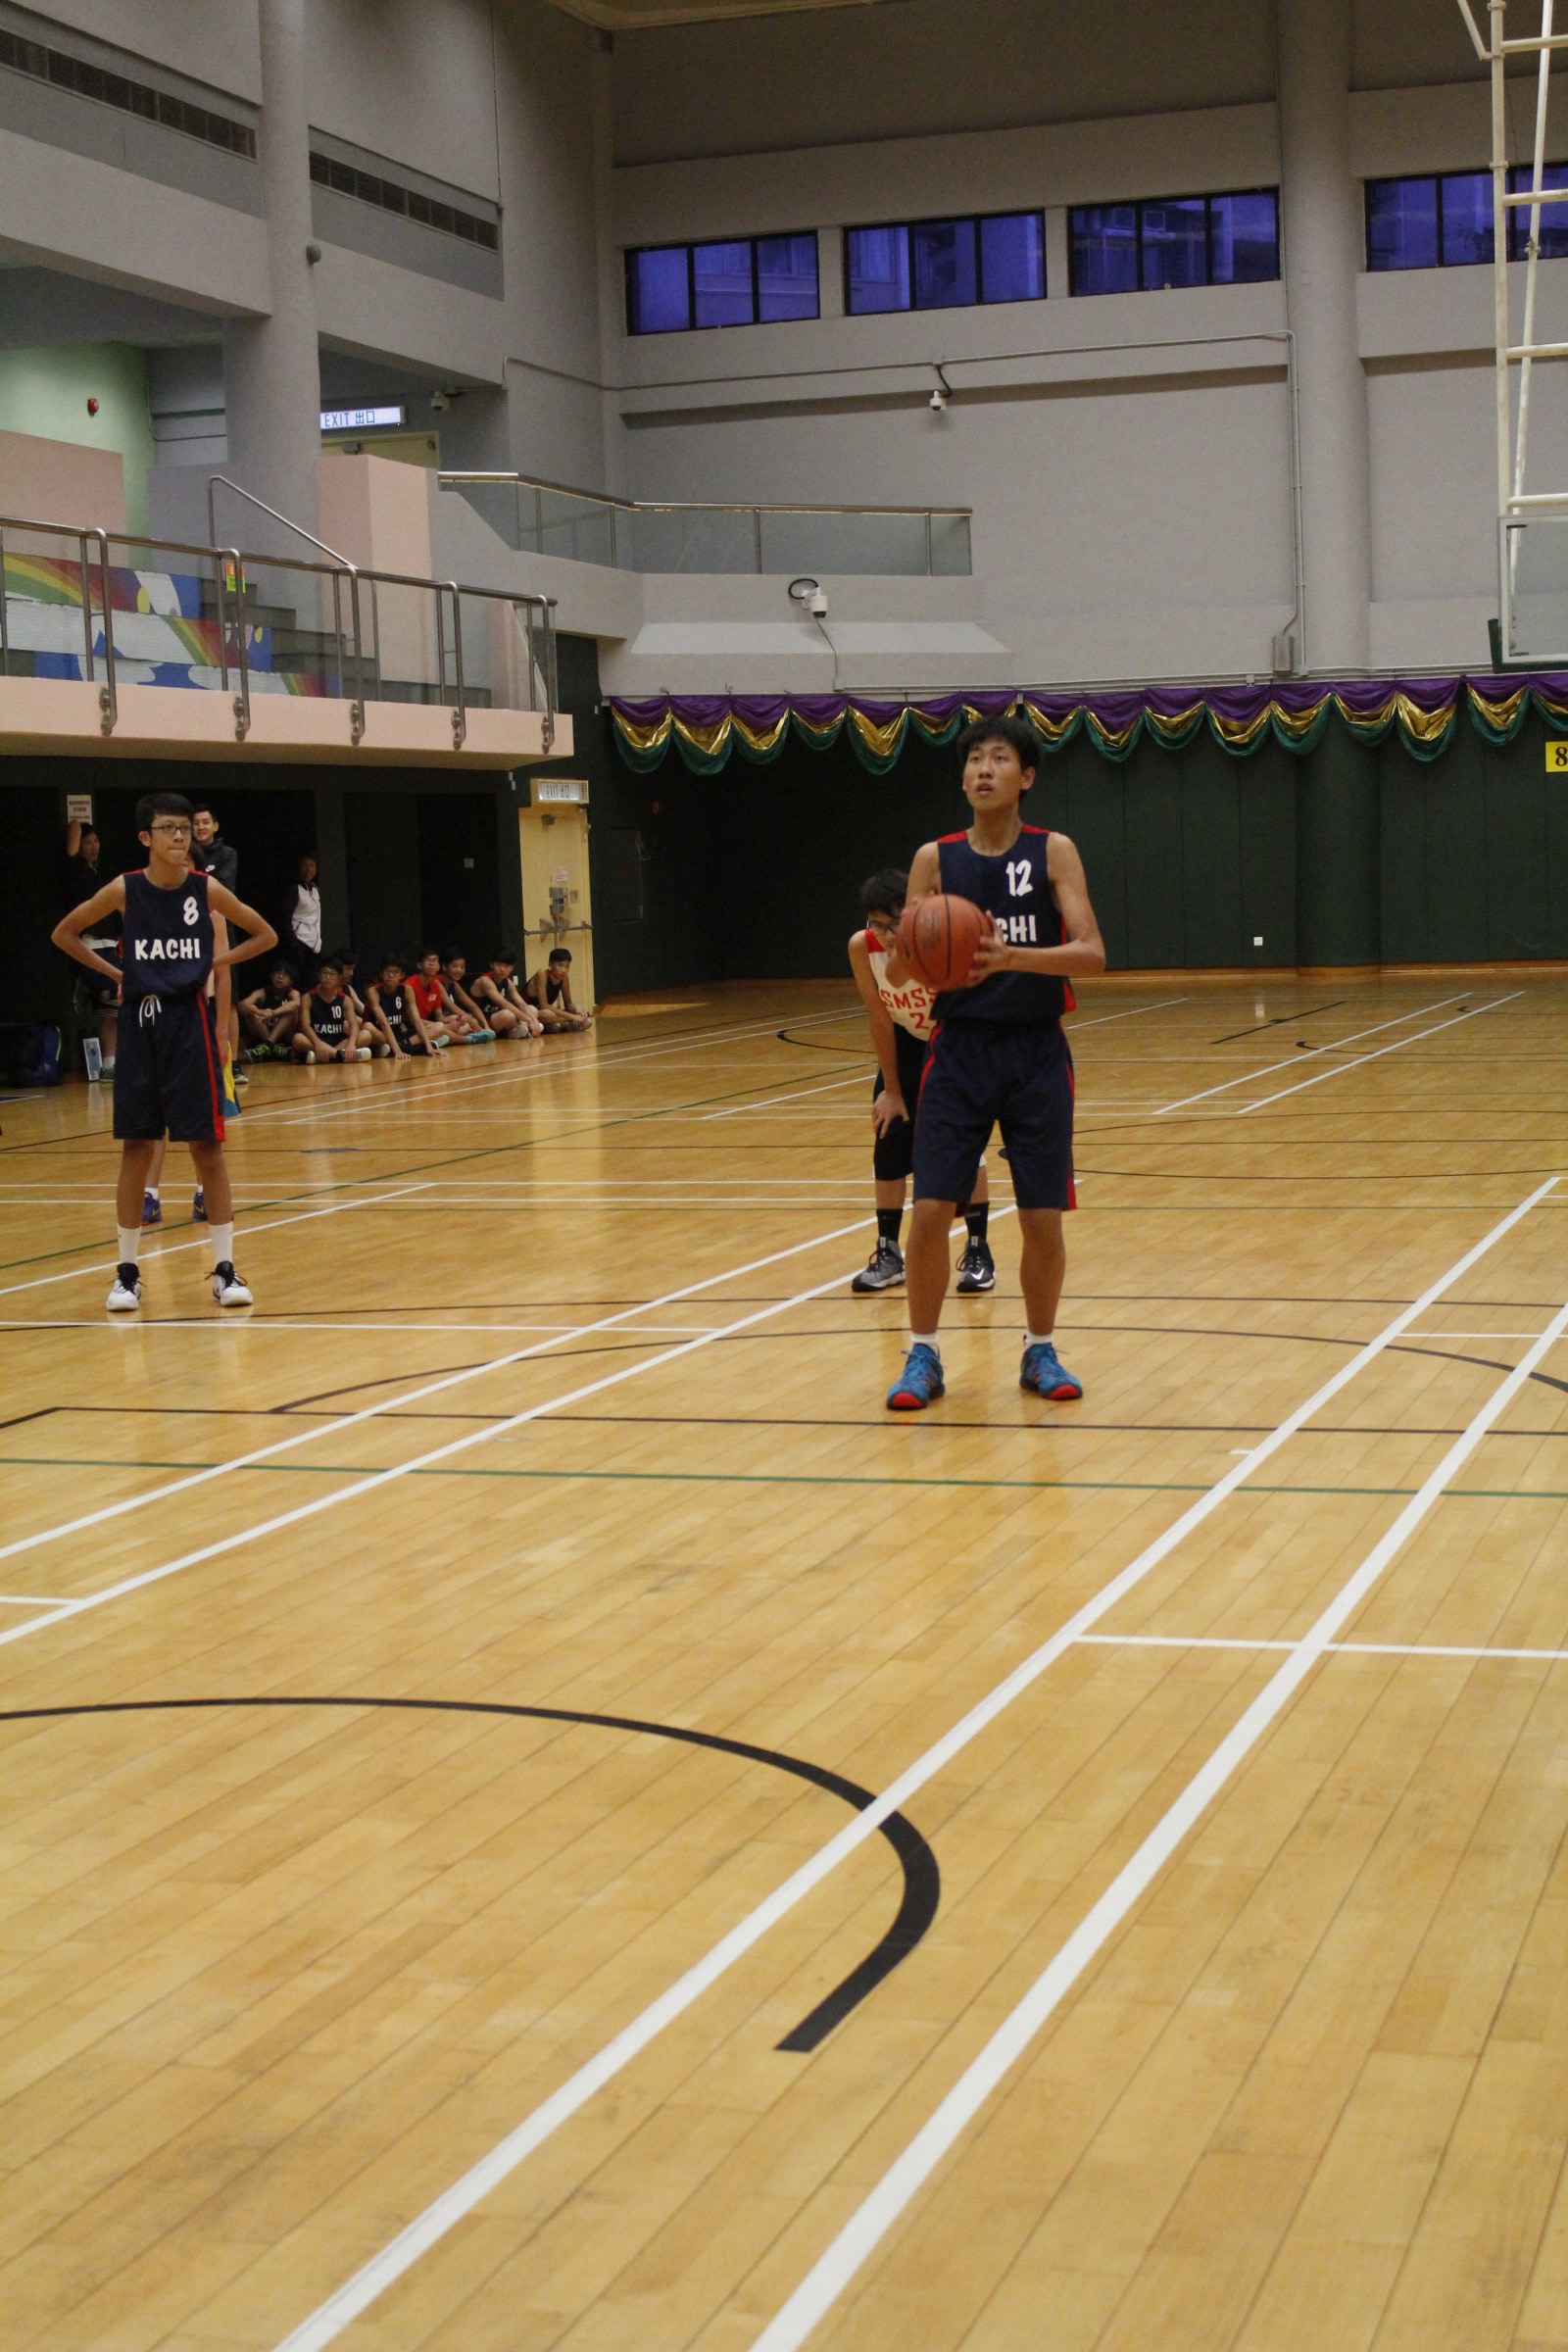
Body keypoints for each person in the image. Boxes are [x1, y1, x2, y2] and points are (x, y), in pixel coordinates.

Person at [885, 714, 1105, 1412]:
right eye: (974, 759)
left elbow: (1092, 953)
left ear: (1026, 775)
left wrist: (1012, 957)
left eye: (1000, 758)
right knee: (930, 1210)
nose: (984, 769)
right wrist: (908, 945)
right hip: (959, 1052)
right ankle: (922, 1354)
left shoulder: (1053, 851)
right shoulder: (934, 859)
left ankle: (1040, 1347)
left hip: (1036, 1050)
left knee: (1042, 1218)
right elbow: (901, 969)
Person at [49, 790, 276, 1312]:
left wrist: (213, 964)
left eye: (184, 829)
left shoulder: (205, 888)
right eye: (168, 829)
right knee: (137, 1147)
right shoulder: (125, 888)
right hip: (139, 1021)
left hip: (188, 1021)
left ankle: (224, 1270)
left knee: (207, 1149)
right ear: (145, 838)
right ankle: (127, 1273)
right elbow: (65, 933)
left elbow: (264, 934)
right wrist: (116, 972)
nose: (179, 836)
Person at [847, 868, 993, 1296]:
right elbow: (879, 1018)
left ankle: (979, 1250)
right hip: (907, 1040)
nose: (886, 934)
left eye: (894, 923)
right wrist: (891, 1090)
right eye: (877, 924)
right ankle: (889, 1253)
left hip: (953, 1039)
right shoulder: (862, 947)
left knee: (964, 1144)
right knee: (889, 1131)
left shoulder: (939, 939)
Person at [61, 819, 120, 1072]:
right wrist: (76, 814)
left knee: (108, 1012)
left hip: (111, 944)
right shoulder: (74, 870)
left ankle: (110, 1064)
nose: (94, 846)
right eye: (87, 842)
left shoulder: (100, 874)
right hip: (91, 946)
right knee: (116, 999)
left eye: (96, 841)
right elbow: (74, 828)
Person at [291, 954, 371, 1062]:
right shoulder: (308, 997)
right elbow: (305, 1025)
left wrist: (351, 1044)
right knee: (297, 1039)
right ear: (318, 975)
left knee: (366, 1035)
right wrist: (318, 1043)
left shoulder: (345, 999)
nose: (328, 978)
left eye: (332, 974)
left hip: (339, 1040)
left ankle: (323, 1057)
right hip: (317, 1039)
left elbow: (353, 1025)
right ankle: (339, 1056)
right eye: (325, 973)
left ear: (339, 977)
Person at [366, 953, 446, 1057]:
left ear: (402, 975)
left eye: (396, 972)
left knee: (439, 1027)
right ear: (381, 973)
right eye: (387, 971)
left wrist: (428, 1047)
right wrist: (398, 1052)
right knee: (367, 1027)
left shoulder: (407, 990)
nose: (391, 975)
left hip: (399, 1034)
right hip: (381, 1034)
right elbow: (383, 1023)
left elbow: (416, 1020)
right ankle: (408, 1048)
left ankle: (396, 1048)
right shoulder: (373, 991)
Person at [408, 947, 483, 1044]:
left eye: (434, 960)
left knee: (462, 1024)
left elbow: (440, 1017)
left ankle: (438, 1040)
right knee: (441, 1027)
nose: (431, 963)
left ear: (438, 966)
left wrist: (456, 1022)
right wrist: (446, 1026)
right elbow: (414, 1021)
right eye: (427, 960)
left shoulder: (435, 985)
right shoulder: (410, 985)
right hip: (412, 1026)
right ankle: (470, 1039)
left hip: (431, 1024)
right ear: (419, 965)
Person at [470, 950, 545, 1040]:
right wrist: (529, 1020)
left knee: (532, 1009)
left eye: (506, 966)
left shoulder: (508, 982)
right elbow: (504, 1004)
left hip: (497, 1017)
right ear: (492, 965)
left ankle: (523, 1029)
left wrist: (534, 1020)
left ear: (512, 968)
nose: (502, 969)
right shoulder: (485, 980)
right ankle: (519, 1029)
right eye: (498, 965)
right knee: (508, 1015)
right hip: (481, 1020)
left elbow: (522, 1004)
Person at [240, 959, 302, 1058]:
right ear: (272, 976)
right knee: (251, 1012)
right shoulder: (263, 992)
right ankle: (271, 1047)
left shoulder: (293, 993)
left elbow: (296, 1004)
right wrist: (259, 1011)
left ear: (291, 982)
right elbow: (242, 1005)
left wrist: (273, 1013)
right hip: (262, 1037)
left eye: (285, 975)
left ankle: (268, 1046)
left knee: (292, 1012)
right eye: (278, 973)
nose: (280, 977)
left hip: (284, 1040)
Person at [524, 946, 591, 1031]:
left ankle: (554, 1024)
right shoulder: (542, 974)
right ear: (550, 965)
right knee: (547, 1014)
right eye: (560, 965)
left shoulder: (564, 978)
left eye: (567, 966)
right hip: (527, 1011)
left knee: (576, 1009)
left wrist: (577, 1010)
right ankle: (566, 1025)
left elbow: (568, 1003)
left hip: (542, 1011)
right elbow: (544, 1006)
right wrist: (573, 1017)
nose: (564, 970)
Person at [279, 851, 322, 981]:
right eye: (304, 865)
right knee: (299, 979)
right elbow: (285, 917)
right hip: (299, 942)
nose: (308, 869)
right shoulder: (294, 889)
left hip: (313, 943)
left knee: (312, 981)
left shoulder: (315, 889)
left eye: (312, 866)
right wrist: (293, 942)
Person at [440, 951, 500, 1041]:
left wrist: (486, 1027)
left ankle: (468, 1036)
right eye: (455, 966)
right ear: (444, 967)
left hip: (450, 1021)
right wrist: (480, 1029)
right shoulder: (437, 982)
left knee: (471, 1019)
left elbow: (472, 1006)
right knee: (464, 1021)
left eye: (462, 967)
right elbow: (454, 1008)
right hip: (437, 1021)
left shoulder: (454, 985)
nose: (459, 970)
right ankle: (471, 1038)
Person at [189, 802, 238, 890]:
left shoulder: (227, 853)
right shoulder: (186, 852)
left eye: (205, 822)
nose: (200, 827)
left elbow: (223, 885)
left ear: (215, 826)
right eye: (196, 823)